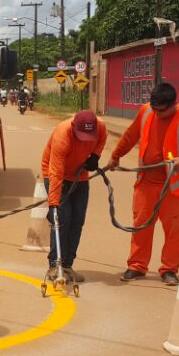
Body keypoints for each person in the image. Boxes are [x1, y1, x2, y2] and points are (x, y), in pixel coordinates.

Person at [105, 82, 179, 285]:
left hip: (174, 187)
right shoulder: (145, 112)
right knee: (141, 226)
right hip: (146, 183)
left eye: (161, 111)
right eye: (154, 109)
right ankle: (137, 266)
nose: (157, 114)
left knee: (173, 231)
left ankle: (169, 269)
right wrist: (116, 156)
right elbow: (130, 136)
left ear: (172, 105)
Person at [41, 110, 107, 282]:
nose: (85, 139)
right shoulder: (62, 134)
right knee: (62, 219)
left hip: (80, 175)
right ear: (73, 126)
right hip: (56, 175)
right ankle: (55, 265)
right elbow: (55, 172)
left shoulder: (100, 126)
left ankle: (68, 265)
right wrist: (53, 204)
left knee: (77, 220)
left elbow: (102, 139)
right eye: (81, 135)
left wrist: (95, 155)